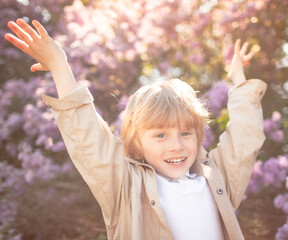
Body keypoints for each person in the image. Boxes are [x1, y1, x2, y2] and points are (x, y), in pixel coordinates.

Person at [5, 18, 267, 240]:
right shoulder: (126, 187)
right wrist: (59, 64)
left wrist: (239, 81)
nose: (176, 145)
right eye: (160, 135)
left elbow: (245, 139)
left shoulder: (215, 177)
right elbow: (87, 136)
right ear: (137, 143)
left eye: (186, 133)